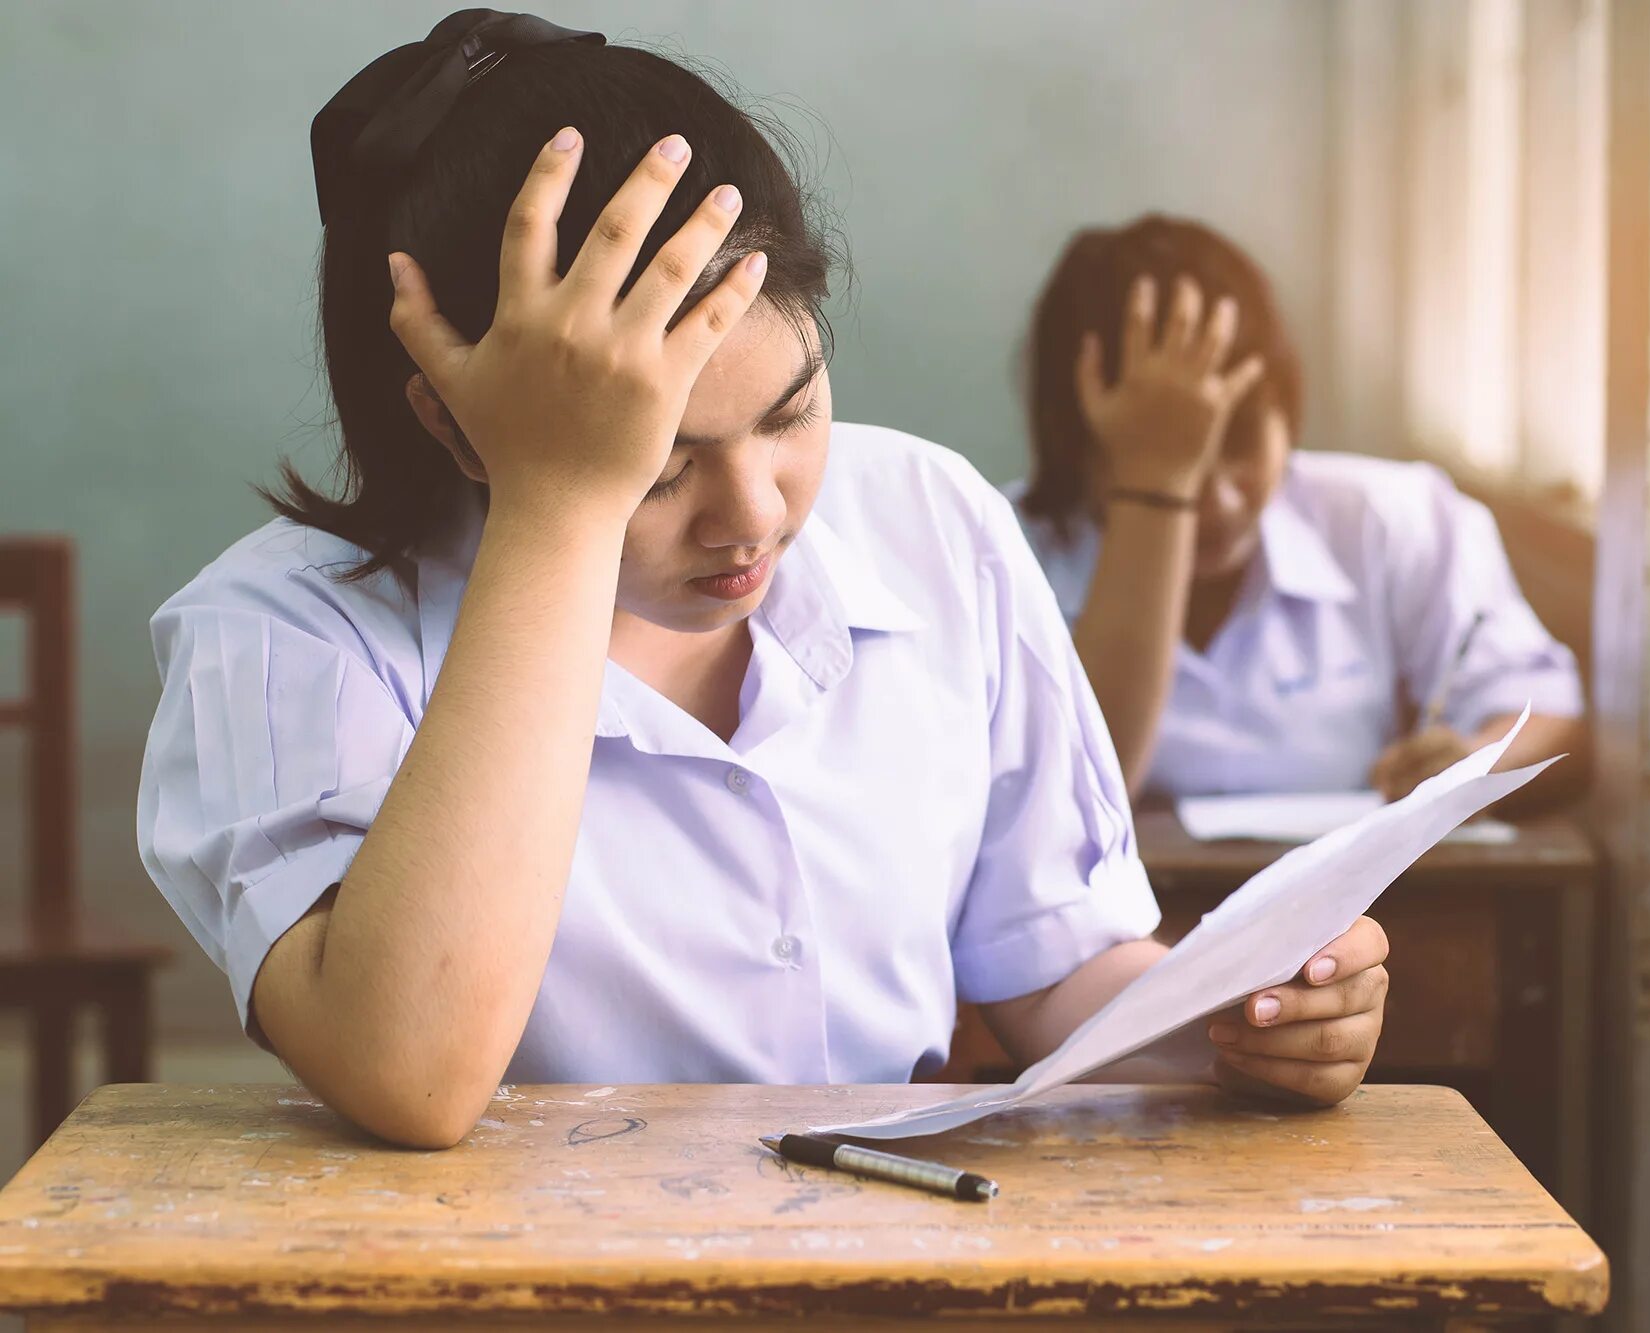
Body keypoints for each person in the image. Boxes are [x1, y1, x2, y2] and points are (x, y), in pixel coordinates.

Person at [135, 13, 1389, 1150]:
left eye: (790, 414)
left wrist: (1242, 1021)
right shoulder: (278, 636)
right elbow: (408, 1068)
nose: (751, 516)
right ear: (460, 430)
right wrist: (559, 505)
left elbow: (1052, 968)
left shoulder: (930, 518)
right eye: (660, 464)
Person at [1012, 215, 1589, 803]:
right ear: (1073, 443)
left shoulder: (1390, 519)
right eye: (1159, 449)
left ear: (1287, 413)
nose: (1215, 499)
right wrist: (1157, 492)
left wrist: (1474, 764)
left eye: (1237, 446)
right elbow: (1077, 797)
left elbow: (1545, 709)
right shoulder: (1000, 553)